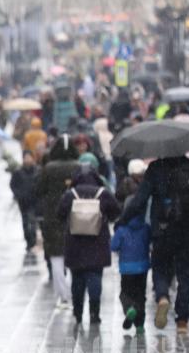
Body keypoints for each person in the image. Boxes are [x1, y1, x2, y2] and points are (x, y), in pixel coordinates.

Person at [118, 154, 189, 332]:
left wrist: (123, 219)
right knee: (185, 274)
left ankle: (163, 296)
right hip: (188, 229)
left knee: (160, 267)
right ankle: (182, 320)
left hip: (163, 229)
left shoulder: (156, 168)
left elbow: (139, 201)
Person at [57, 165, 121, 325]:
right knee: (95, 277)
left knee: (77, 279)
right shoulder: (103, 194)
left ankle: (77, 313)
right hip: (97, 243)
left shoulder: (70, 195)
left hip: (75, 244)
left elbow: (59, 214)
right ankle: (94, 313)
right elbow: (116, 212)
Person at [38, 134, 83, 307]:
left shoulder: (48, 168)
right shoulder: (79, 167)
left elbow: (38, 189)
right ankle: (75, 290)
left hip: (53, 216)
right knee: (75, 255)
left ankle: (62, 294)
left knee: (56, 256)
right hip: (76, 215)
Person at [111, 192, 152, 335]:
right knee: (141, 296)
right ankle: (140, 325)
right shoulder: (146, 228)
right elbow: (150, 242)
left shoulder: (122, 229)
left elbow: (113, 246)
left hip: (127, 268)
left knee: (125, 293)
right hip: (142, 267)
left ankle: (129, 309)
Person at [10, 151, 41, 250]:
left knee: (32, 221)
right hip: (23, 201)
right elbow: (13, 185)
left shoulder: (38, 170)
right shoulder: (18, 172)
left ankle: (33, 239)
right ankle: (28, 240)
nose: (27, 160)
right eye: (25, 157)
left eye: (29, 157)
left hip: (34, 200)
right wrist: (18, 194)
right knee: (25, 221)